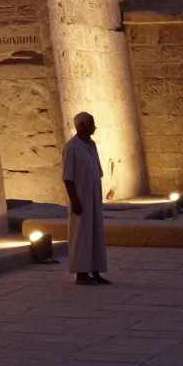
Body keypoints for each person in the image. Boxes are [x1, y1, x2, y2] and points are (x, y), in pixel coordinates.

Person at [62, 111, 110, 286]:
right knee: (81, 235)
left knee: (96, 233)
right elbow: (68, 177)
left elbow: (97, 171)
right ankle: (81, 273)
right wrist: (74, 200)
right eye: (91, 123)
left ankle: (95, 270)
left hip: (94, 197)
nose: (94, 126)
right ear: (81, 126)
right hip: (81, 197)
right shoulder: (71, 147)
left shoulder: (92, 145)